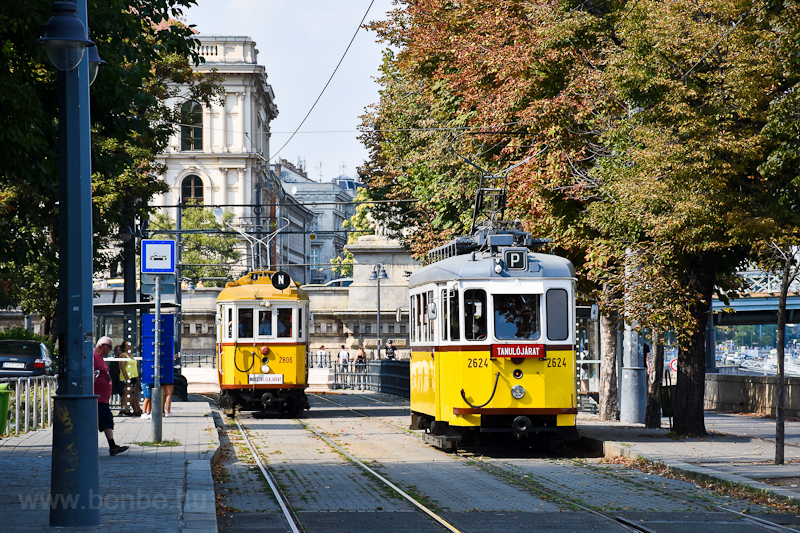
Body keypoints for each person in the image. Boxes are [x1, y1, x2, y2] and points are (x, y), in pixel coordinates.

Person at [93, 336, 129, 456]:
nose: (111, 350)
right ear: (102, 345)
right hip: (97, 398)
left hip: (104, 399)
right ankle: (89, 447)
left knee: (107, 421)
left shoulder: (101, 358)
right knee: (95, 422)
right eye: (109, 347)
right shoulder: (94, 357)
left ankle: (112, 446)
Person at [119, 341, 142, 416]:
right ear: (124, 347)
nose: (130, 346)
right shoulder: (123, 355)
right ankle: (125, 410)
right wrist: (127, 378)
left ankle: (136, 409)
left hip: (132, 377)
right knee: (127, 393)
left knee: (132, 393)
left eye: (130, 345)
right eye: (128, 345)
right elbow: (123, 368)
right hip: (127, 377)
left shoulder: (130, 355)